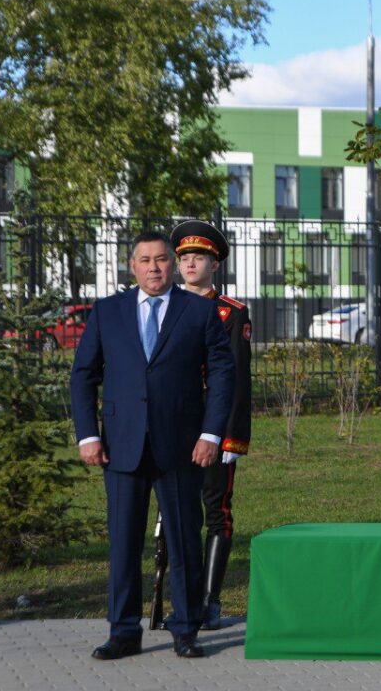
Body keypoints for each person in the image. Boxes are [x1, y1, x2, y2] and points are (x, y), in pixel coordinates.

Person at [71, 230, 235, 660]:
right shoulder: (108, 312)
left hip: (181, 447)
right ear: (133, 266)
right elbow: (83, 375)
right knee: (124, 543)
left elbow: (222, 374)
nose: (154, 267)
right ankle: (123, 631)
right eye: (145, 260)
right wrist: (88, 435)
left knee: (184, 542)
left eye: (161, 259)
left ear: (172, 263)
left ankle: (185, 630)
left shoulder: (198, 312)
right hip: (121, 447)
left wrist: (211, 434)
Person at [170, 220, 253, 630]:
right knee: (176, 512)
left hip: (214, 427)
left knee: (215, 510)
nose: (189, 264)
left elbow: (236, 378)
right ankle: (182, 599)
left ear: (214, 264)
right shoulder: (164, 306)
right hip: (172, 426)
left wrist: (230, 435)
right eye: (184, 257)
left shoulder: (231, 314)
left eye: (198, 257)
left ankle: (210, 600)